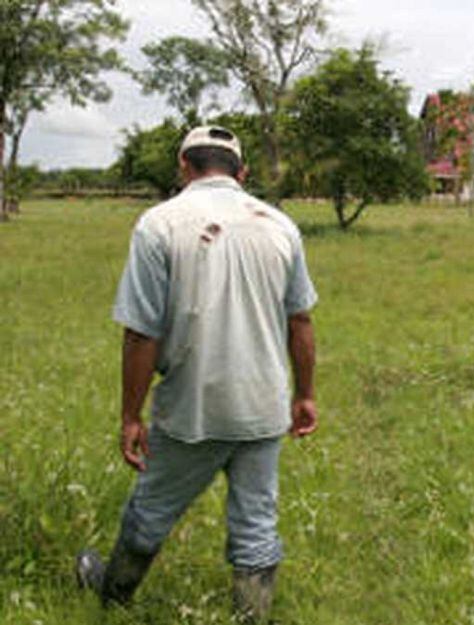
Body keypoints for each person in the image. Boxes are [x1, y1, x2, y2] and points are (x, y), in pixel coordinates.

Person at [75, 126, 319, 623]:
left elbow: (142, 333)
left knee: (152, 508)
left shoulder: (159, 225)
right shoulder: (280, 226)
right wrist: (305, 395)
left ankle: (113, 594)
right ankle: (252, 615)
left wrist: (130, 416)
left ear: (183, 167)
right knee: (256, 521)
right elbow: (300, 321)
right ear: (241, 173)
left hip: (193, 406)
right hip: (264, 404)